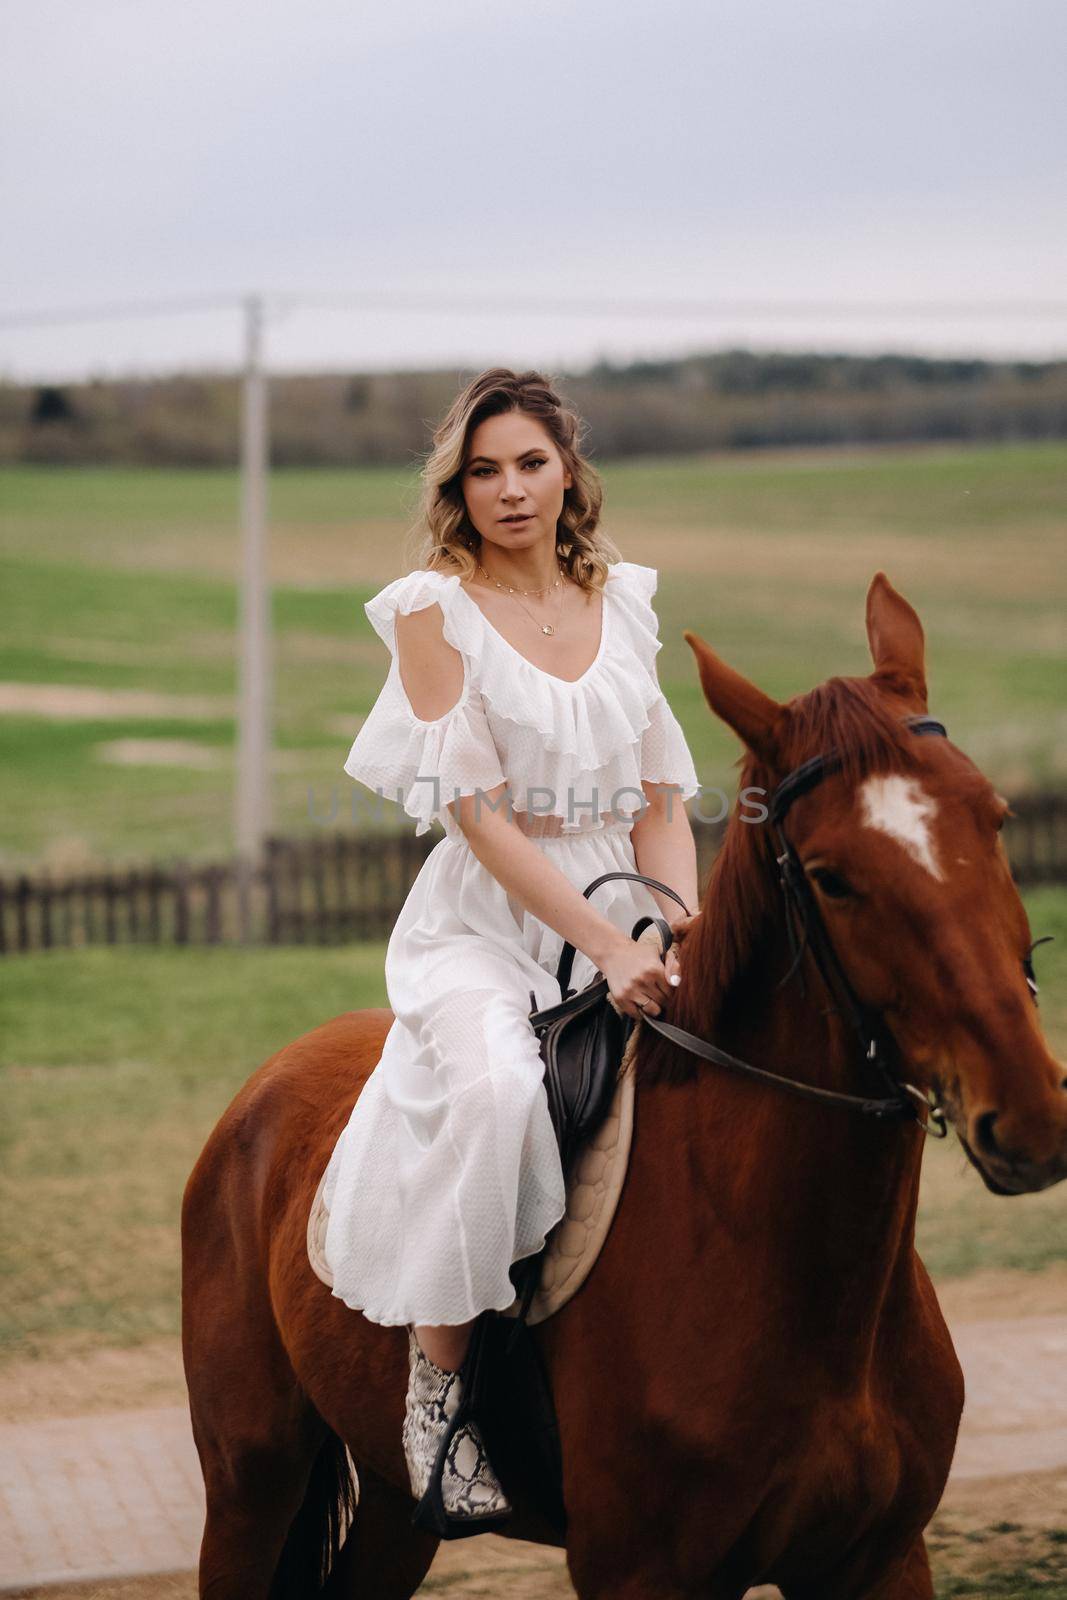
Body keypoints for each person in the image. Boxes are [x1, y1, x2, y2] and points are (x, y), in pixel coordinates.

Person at [322, 367, 700, 1531]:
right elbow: (478, 817)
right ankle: (440, 1390)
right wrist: (600, 940)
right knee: (495, 1089)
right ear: (458, 488)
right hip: (484, 923)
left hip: (623, 901)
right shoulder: (434, 612)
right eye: (481, 470)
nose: (508, 488)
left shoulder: (619, 599)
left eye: (529, 462)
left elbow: (660, 797)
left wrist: (669, 923)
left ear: (567, 472)